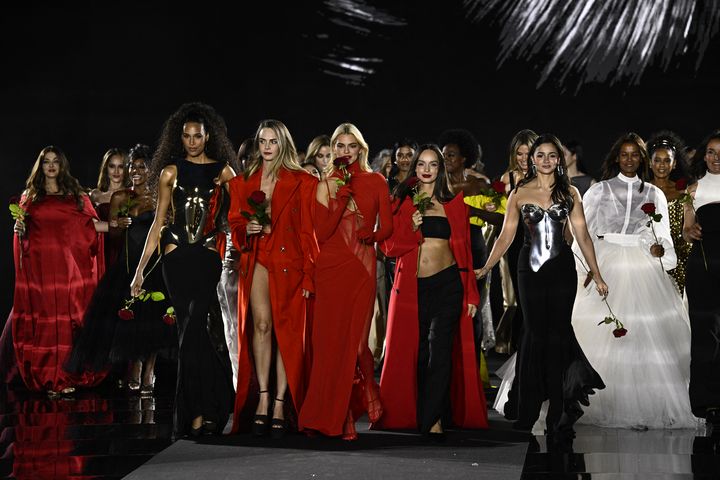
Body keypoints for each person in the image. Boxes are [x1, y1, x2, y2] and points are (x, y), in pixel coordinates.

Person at [476, 134, 607, 435]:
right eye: (540, 155)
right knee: (534, 335)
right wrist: (487, 265)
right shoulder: (519, 193)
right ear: (531, 160)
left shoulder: (571, 192)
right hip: (529, 270)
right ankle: (528, 408)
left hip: (562, 271)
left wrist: (597, 274)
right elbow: (506, 237)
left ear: (559, 159)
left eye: (552, 155)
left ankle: (558, 410)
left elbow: (583, 236)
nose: (546, 160)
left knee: (559, 335)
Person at [571, 132, 699, 429]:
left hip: (642, 268)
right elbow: (583, 233)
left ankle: (642, 404)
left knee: (643, 334)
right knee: (603, 331)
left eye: (635, 154)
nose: (629, 159)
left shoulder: (653, 193)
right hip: (606, 262)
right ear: (617, 157)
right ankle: (599, 400)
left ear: (642, 159)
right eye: (624, 154)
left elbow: (662, 236)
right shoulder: (598, 191)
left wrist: (658, 250)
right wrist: (587, 269)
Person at [130, 102, 236, 438]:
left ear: (208, 137)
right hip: (175, 258)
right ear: (181, 137)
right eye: (187, 136)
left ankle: (202, 409)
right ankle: (203, 411)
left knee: (194, 332)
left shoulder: (223, 172)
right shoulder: (170, 172)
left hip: (206, 256)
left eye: (198, 136)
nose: (192, 141)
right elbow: (158, 222)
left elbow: (237, 218)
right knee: (188, 332)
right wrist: (140, 272)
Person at [376, 144, 486, 437]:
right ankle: (420, 411)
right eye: (421, 163)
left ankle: (433, 417)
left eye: (433, 164)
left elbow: (464, 253)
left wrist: (471, 294)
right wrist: (410, 228)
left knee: (440, 351)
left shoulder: (454, 204)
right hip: (412, 288)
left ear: (440, 169)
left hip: (448, 285)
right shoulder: (401, 201)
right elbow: (388, 248)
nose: (426, 169)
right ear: (414, 168)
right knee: (419, 353)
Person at [299, 123, 393, 440]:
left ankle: (355, 406)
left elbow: (388, 228)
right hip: (330, 268)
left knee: (354, 344)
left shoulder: (376, 180)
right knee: (328, 345)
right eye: (339, 146)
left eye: (350, 146)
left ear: (360, 149)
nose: (344, 152)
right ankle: (331, 418)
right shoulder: (323, 185)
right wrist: (340, 200)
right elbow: (321, 234)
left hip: (362, 270)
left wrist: (374, 235)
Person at [228, 119, 318, 438]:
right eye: (262, 141)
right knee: (262, 326)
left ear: (283, 144)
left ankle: (282, 402)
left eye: (273, 141)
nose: (266, 147)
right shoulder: (243, 182)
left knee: (285, 332)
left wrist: (309, 273)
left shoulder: (302, 181)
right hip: (258, 257)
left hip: (290, 261)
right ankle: (263, 397)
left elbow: (309, 231)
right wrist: (245, 230)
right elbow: (235, 223)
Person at [66, 144, 175, 394]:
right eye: (132, 166)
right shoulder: (120, 197)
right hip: (127, 265)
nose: (135, 171)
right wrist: (118, 225)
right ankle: (135, 367)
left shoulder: (160, 197)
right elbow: (113, 237)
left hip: (154, 265)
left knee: (156, 321)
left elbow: (167, 230)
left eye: (141, 166)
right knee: (132, 319)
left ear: (152, 169)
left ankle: (150, 370)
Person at [10, 146, 108, 395]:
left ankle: (66, 377)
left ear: (62, 165)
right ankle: (47, 378)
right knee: (45, 322)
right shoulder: (29, 197)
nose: (51, 166)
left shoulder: (75, 195)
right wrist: (19, 233)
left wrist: (123, 225)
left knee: (68, 323)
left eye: (55, 161)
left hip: (68, 272)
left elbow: (91, 226)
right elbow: (23, 235)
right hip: (41, 271)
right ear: (40, 166)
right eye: (46, 162)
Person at [683, 130, 720, 429]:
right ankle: (706, 401)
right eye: (710, 151)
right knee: (704, 333)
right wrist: (691, 232)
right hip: (703, 265)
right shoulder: (693, 190)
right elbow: (686, 231)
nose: (716, 158)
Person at [647, 131, 692, 294]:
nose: (661, 165)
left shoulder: (682, 192)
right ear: (650, 163)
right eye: (657, 160)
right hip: (649, 254)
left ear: (674, 164)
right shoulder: (641, 191)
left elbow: (688, 225)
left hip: (679, 255)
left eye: (667, 160)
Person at [90, 148, 130, 269]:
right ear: (106, 169)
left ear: (126, 169)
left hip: (126, 248)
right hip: (102, 248)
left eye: (121, 166)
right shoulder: (96, 195)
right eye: (112, 166)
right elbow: (89, 225)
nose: (116, 171)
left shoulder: (132, 194)